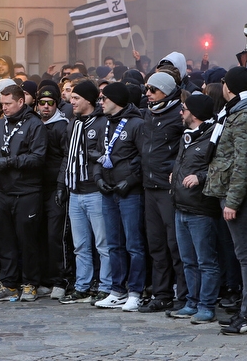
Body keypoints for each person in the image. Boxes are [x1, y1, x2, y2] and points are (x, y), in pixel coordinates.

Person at [203, 66, 247, 335]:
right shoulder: (238, 112)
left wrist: (232, 201)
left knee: (246, 256)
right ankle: (246, 310)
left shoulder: (246, 117)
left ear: (229, 87)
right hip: (233, 191)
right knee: (243, 254)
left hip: (242, 194)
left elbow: (243, 163)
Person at [0, 84, 47, 302]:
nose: (4, 108)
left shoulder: (35, 125)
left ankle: (30, 283)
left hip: (27, 191)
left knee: (27, 240)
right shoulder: (0, 125)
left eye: (8, 104)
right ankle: (8, 284)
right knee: (5, 240)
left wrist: (9, 162)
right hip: (5, 192)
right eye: (1, 104)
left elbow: (38, 158)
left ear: (20, 102)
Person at [56, 80, 112, 306]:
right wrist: (61, 185)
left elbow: (105, 155)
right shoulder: (72, 124)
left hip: (94, 191)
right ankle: (82, 286)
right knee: (80, 245)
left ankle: (106, 285)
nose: (72, 101)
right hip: (75, 190)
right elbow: (66, 157)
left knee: (103, 244)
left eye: (77, 98)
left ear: (89, 100)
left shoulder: (102, 123)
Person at [96, 82, 148, 312]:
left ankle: (136, 291)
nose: (101, 102)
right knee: (114, 244)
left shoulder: (137, 124)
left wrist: (131, 181)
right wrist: (98, 179)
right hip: (109, 190)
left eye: (104, 98)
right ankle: (117, 290)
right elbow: (97, 155)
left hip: (130, 193)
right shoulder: (103, 123)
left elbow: (143, 158)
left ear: (116, 100)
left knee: (134, 245)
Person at [170, 93, 221, 324]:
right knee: (188, 260)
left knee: (205, 261)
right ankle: (191, 302)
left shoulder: (213, 137)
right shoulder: (187, 136)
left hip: (201, 209)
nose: (181, 112)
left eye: (184, 108)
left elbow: (220, 168)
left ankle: (207, 305)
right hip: (181, 206)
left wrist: (199, 177)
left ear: (195, 113)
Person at [139, 70, 186, 312]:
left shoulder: (179, 116)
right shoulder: (147, 114)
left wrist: (175, 172)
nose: (148, 94)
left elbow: (186, 150)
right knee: (155, 244)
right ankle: (162, 293)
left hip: (169, 189)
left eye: (153, 90)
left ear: (166, 92)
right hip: (149, 187)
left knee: (174, 245)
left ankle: (185, 295)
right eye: (147, 89)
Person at [36, 83, 70, 300]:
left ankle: (61, 279)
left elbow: (66, 158)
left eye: (50, 103)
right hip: (35, 187)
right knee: (38, 235)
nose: (46, 107)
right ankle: (44, 278)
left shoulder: (62, 126)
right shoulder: (33, 124)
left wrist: (61, 185)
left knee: (55, 235)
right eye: (42, 103)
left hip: (55, 186)